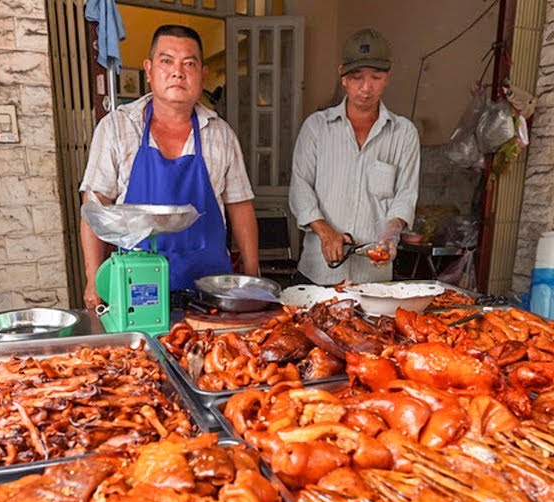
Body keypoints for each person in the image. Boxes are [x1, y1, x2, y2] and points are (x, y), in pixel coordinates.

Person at [79, 25, 259, 308]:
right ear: (149, 70)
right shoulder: (116, 127)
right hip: (137, 290)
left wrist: (252, 276)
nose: (178, 72)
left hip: (211, 289)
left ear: (202, 74)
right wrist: (93, 280)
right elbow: (94, 206)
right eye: (166, 61)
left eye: (189, 63)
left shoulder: (221, 134)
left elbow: (240, 206)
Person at [289, 28, 420, 285]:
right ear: (343, 77)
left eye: (376, 77)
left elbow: (405, 195)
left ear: (388, 77)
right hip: (318, 273)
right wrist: (326, 233)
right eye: (357, 77)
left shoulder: (404, 133)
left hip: (373, 278)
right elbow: (300, 187)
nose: (366, 88)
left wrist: (390, 237)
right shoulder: (317, 127)